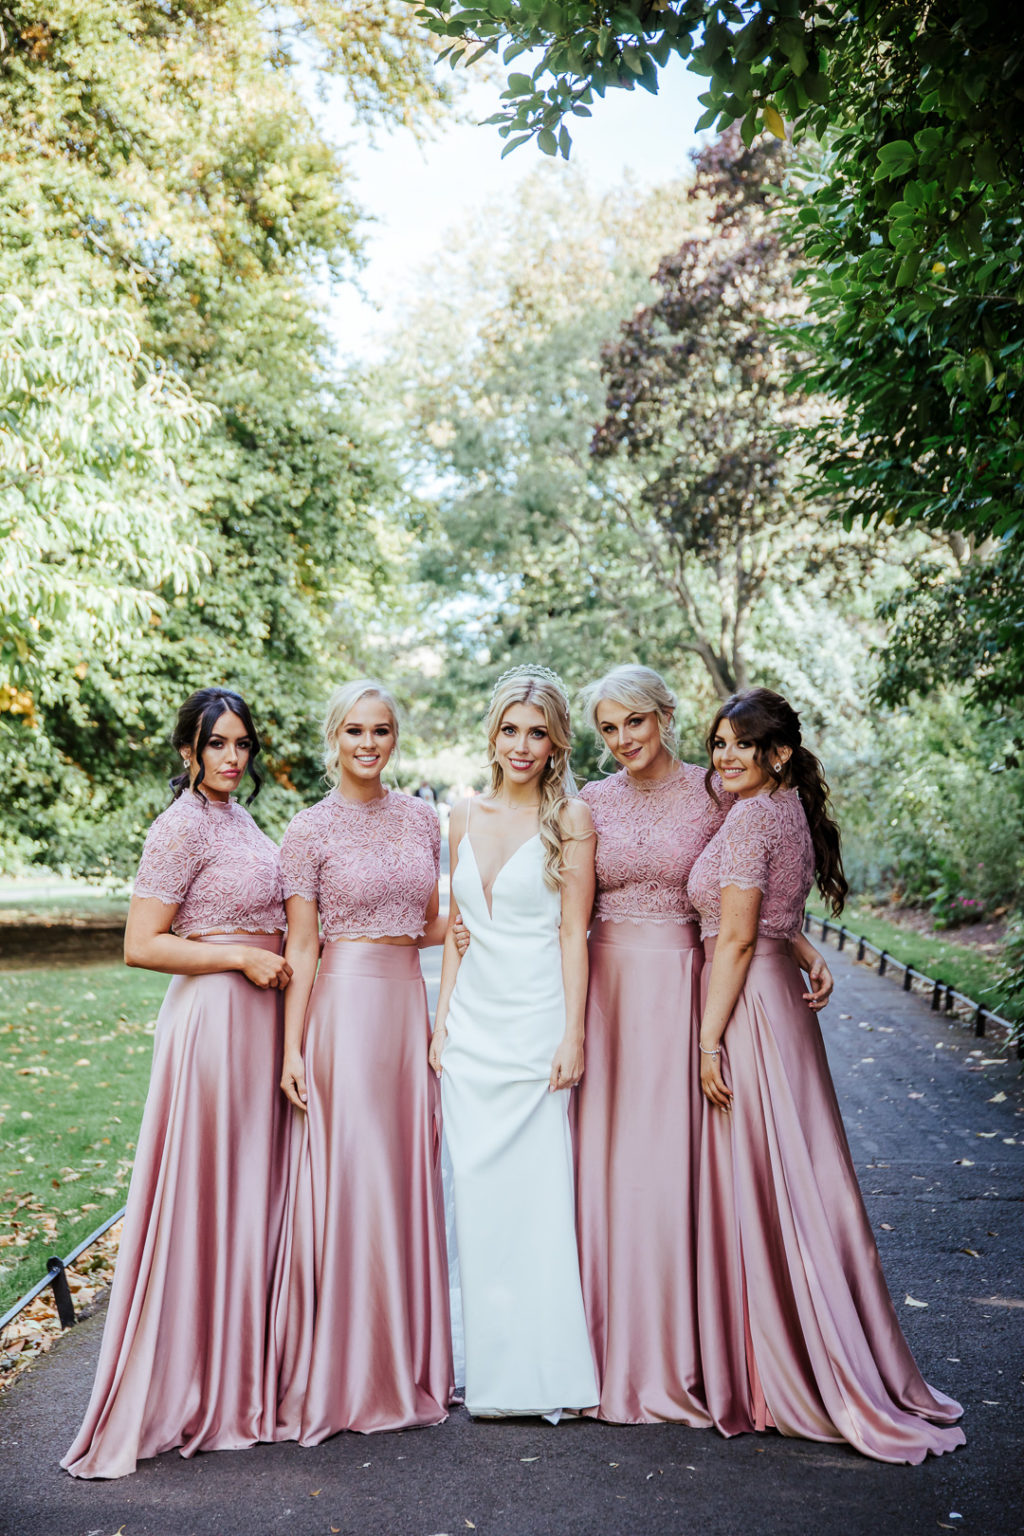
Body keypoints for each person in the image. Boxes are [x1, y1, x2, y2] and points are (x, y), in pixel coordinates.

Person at [688, 687, 965, 1463]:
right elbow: (779, 919)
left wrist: (708, 1043)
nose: (725, 757)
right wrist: (804, 948)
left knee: (767, 1176)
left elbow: (737, 942)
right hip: (776, 998)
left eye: (742, 744)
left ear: (776, 753)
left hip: (744, 1007)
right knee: (793, 1176)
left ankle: (782, 1368)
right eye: (718, 744)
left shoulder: (750, 819)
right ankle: (776, 1354)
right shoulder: (783, 811)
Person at [574, 664, 833, 1425]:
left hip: (689, 988)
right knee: (610, 1165)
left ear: (665, 717)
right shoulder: (589, 801)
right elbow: (565, 911)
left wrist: (798, 943)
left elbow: (744, 897)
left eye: (636, 722)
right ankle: (605, 1345)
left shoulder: (716, 791)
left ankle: (680, 1344)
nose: (623, 740)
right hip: (609, 988)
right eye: (609, 728)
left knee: (679, 1168)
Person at [63, 687, 291, 1479]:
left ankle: (242, 1377)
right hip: (216, 1023)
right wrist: (240, 956)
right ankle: (189, 1385)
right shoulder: (179, 827)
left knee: (251, 1195)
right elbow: (141, 944)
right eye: (218, 745)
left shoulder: (239, 819)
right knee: (208, 1195)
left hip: (261, 1022)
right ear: (187, 752)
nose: (233, 758)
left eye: (242, 745)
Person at [272, 680, 453, 1442]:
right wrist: (291, 1045)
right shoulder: (307, 831)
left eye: (381, 730)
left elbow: (434, 923)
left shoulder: (422, 820)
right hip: (341, 1015)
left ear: (395, 738)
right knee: (351, 1178)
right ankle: (341, 1368)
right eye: (354, 731)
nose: (369, 744)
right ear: (333, 738)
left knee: (404, 1175)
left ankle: (403, 1361)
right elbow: (302, 946)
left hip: (405, 1010)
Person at [430, 665, 598, 1420]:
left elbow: (574, 934)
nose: (522, 745)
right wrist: (440, 1026)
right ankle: (487, 1368)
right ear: (491, 734)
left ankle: (540, 1374)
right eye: (510, 729)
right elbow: (457, 934)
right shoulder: (462, 818)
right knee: (476, 1200)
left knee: (534, 1201)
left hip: (536, 1028)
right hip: (470, 1033)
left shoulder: (574, 820)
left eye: (537, 732)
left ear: (557, 741)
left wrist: (573, 1034)